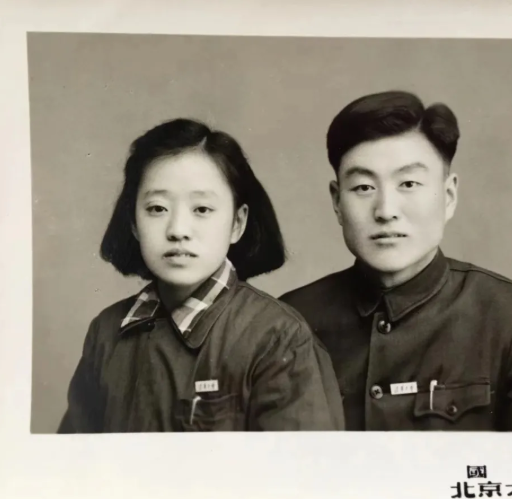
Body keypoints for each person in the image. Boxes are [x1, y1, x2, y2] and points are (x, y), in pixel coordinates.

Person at [280, 91, 512, 431]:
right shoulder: (289, 321)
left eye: (409, 183)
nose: (386, 211)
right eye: (364, 187)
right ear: (337, 202)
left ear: (448, 196)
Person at [58, 118, 344, 433]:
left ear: (237, 223)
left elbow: (301, 463)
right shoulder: (107, 332)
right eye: (157, 208)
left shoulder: (278, 338)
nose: (178, 230)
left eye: (202, 209)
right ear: (134, 223)